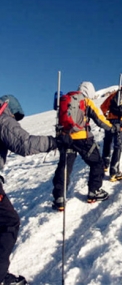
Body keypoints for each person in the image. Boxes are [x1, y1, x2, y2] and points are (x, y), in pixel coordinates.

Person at [0, 95, 66, 285]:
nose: (14, 119)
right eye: (15, 115)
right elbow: (25, 144)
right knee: (9, 223)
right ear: (8, 107)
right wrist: (54, 142)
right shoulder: (3, 118)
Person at [52, 81, 116, 211]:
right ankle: (94, 191)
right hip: (83, 139)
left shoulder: (65, 100)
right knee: (96, 163)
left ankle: (59, 198)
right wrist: (111, 128)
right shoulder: (86, 101)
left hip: (65, 138)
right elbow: (99, 119)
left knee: (64, 167)